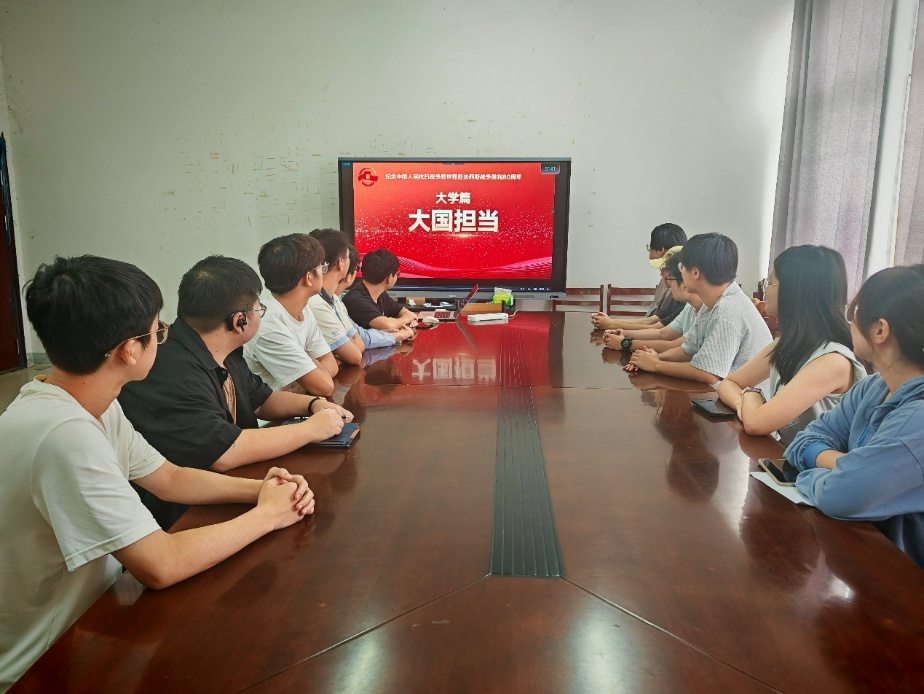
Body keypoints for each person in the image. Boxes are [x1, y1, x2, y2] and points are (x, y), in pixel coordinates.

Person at [0, 256, 315, 691]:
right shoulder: (65, 435)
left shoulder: (89, 403)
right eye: (157, 331)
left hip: (97, 620)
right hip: (48, 661)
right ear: (130, 350)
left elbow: (168, 477)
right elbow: (160, 564)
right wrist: (268, 516)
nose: (162, 339)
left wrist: (261, 490)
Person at [119, 255, 351, 529]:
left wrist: (313, 405)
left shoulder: (223, 351)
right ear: (239, 321)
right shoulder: (171, 370)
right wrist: (311, 429)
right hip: (184, 516)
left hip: (230, 490)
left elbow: (262, 399)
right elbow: (224, 452)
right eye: (258, 309)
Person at [785, 265, 924, 567]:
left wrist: (840, 475)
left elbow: (839, 495)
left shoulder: (917, 422)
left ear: (880, 330)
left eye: (856, 313)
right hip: (865, 555)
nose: (850, 321)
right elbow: (803, 441)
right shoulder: (873, 387)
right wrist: (849, 467)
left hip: (905, 579)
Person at [717, 246, 865, 445]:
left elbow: (756, 423)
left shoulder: (833, 361)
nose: (766, 290)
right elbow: (729, 384)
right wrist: (742, 403)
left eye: (771, 282)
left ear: (794, 291)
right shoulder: (787, 344)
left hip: (818, 464)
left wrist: (752, 394)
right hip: (788, 456)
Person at [628, 233, 772, 385]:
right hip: (727, 391)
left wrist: (656, 365)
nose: (680, 273)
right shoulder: (710, 304)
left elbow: (708, 374)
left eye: (681, 267)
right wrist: (655, 357)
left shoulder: (727, 309)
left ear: (695, 273)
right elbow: (687, 351)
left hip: (746, 397)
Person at [243, 233, 338, 397]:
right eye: (321, 267)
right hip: (269, 412)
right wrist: (312, 366)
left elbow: (331, 364)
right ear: (308, 277)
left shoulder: (303, 309)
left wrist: (307, 374)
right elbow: (325, 387)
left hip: (294, 399)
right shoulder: (267, 324)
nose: (324, 271)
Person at [591, 222, 687, 331]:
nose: (661, 274)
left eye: (649, 248)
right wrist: (611, 323)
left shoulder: (679, 291)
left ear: (662, 250)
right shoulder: (669, 283)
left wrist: (612, 325)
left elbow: (660, 330)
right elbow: (653, 321)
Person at [603, 249, 700, 353]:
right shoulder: (689, 307)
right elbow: (662, 333)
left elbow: (674, 345)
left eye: (670, 278)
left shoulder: (706, 311)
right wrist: (624, 333)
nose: (663, 277)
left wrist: (624, 342)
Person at [306, 228, 366, 365]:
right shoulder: (315, 302)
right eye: (348, 257)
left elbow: (360, 344)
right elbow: (355, 356)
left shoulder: (335, 299)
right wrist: (345, 350)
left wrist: (340, 354)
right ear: (341, 263)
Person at [341, 245, 415, 349]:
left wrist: (404, 321)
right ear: (389, 278)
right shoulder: (355, 299)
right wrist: (406, 320)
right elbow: (388, 325)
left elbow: (405, 313)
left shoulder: (381, 295)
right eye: (397, 274)